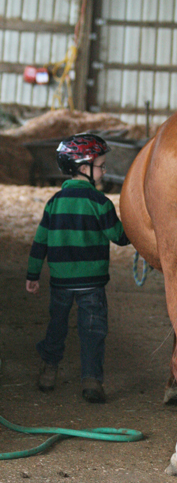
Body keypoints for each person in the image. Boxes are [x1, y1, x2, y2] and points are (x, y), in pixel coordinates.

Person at [26, 132, 130, 403]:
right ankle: (92, 381)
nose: (104, 171)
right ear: (84, 168)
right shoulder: (101, 203)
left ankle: (48, 372)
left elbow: (40, 241)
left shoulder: (54, 203)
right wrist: (138, 228)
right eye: (101, 166)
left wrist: (33, 274)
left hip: (61, 282)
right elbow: (119, 237)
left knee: (56, 327)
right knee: (93, 331)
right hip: (92, 283)